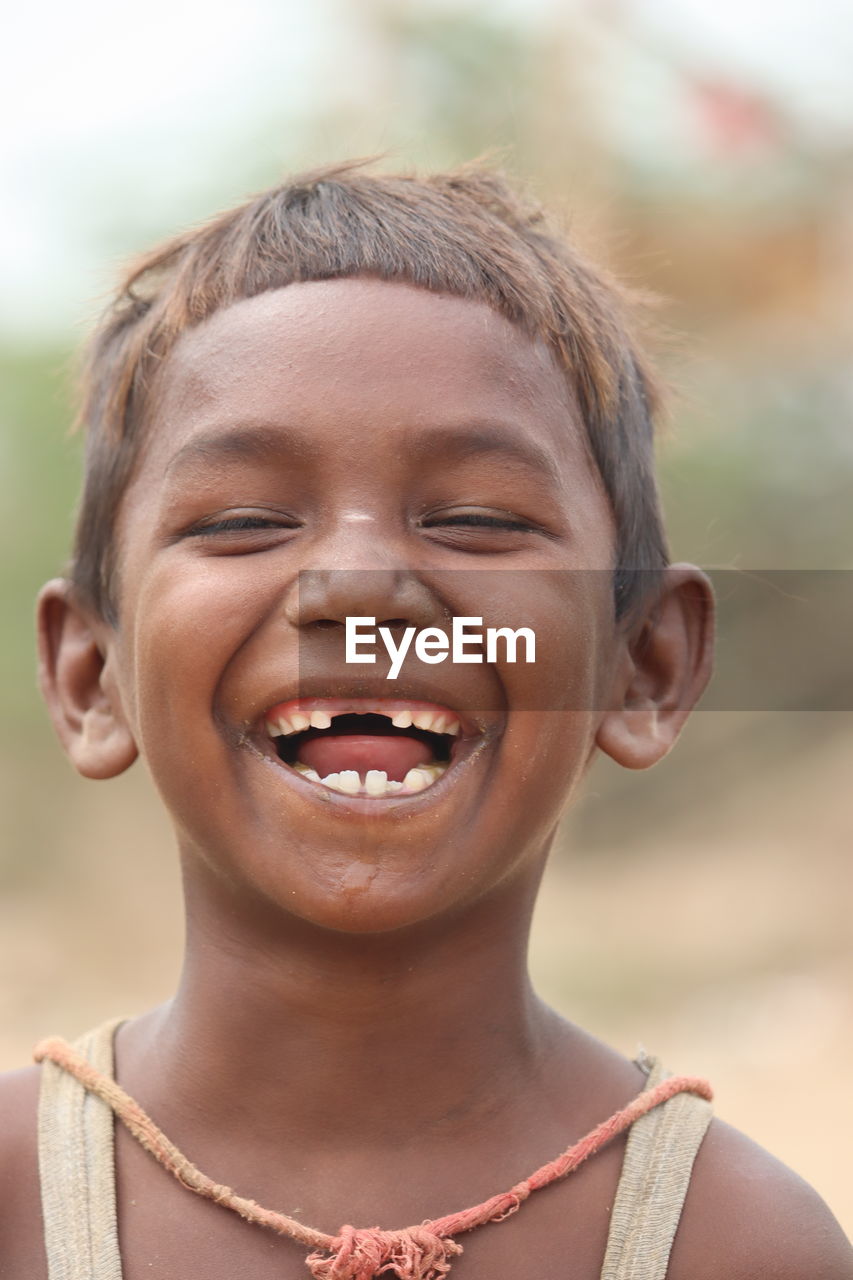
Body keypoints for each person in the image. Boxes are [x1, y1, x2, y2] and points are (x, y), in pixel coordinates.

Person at [1, 161, 849, 1280]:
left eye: (478, 519)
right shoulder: (18, 1202)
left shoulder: (737, 1244)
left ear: (642, 666)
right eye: (247, 519)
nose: (358, 582)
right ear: (92, 673)